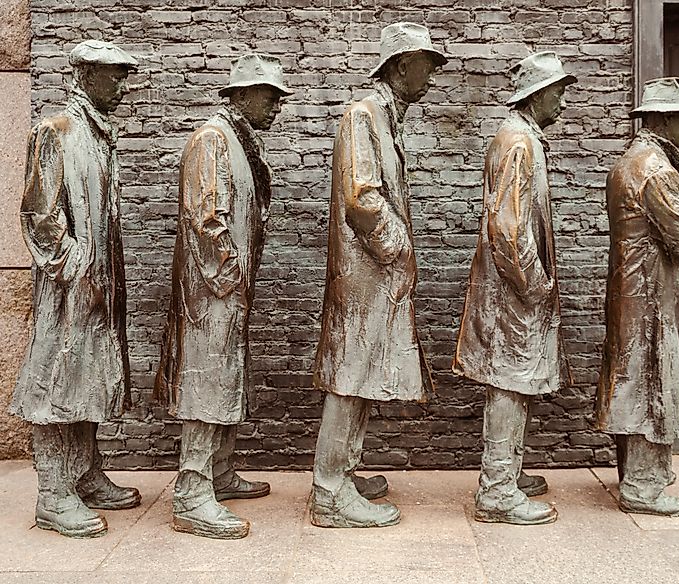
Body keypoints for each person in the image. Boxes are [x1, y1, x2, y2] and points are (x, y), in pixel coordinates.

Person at [310, 22, 447, 528]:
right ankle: (328, 490)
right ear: (398, 66)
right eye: (425, 64)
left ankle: (343, 469)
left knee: (363, 373)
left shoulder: (388, 119)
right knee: (350, 375)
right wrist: (400, 250)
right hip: (365, 273)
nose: (431, 75)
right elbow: (361, 200)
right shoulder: (362, 116)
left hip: (377, 275)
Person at [155, 54, 291, 539]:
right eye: (269, 95)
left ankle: (218, 470)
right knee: (205, 382)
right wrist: (231, 276)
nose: (276, 105)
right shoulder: (212, 139)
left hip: (227, 292)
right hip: (212, 292)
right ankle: (192, 493)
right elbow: (205, 218)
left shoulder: (237, 140)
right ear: (241, 95)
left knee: (224, 378)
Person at [11, 39, 141, 538]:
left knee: (89, 378)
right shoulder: (56, 131)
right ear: (86, 74)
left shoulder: (98, 135)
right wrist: (74, 267)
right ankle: (51, 492)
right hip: (69, 289)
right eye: (114, 75)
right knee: (53, 380)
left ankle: (84, 473)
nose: (122, 85)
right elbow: (40, 216)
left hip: (98, 285)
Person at [454, 52, 576, 525]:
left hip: (514, 288)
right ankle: (497, 491)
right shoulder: (518, 142)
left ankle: (508, 471)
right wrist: (534, 285)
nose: (563, 102)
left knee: (516, 382)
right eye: (558, 92)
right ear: (537, 95)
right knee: (509, 381)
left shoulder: (523, 139)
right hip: (513, 291)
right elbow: (507, 227)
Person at [595, 77, 679, 517]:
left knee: (633, 379)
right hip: (650, 296)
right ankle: (643, 487)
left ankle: (638, 475)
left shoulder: (630, 161)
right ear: (663, 120)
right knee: (651, 384)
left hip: (633, 289)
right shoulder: (657, 170)